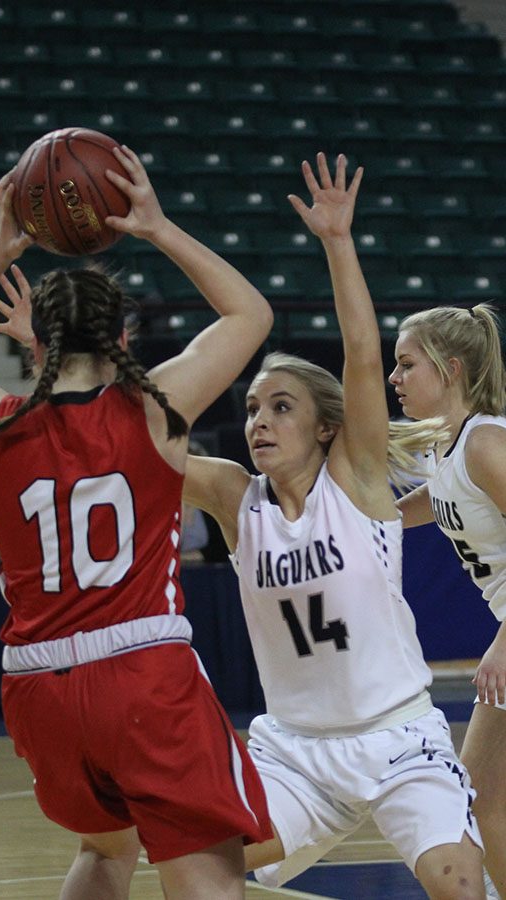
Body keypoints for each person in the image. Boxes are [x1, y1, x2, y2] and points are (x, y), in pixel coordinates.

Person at [0, 145, 274, 900]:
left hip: (38, 684)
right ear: (123, 339)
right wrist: (157, 226)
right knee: (205, 874)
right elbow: (251, 313)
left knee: (105, 849)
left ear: (36, 345)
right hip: (142, 670)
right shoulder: (156, 408)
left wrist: (0, 244)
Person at [183, 152, 486, 898]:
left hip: (398, 739)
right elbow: (140, 445)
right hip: (295, 753)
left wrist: (338, 243)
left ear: (326, 429)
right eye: (252, 407)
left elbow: (359, 352)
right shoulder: (232, 497)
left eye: (280, 406)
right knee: (199, 868)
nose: (258, 420)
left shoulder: (356, 482)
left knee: (456, 881)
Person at [389, 304, 506, 899]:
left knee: (481, 793)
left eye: (406, 364)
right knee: (481, 794)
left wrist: (504, 643)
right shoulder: (447, 447)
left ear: (451, 369)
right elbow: (416, 506)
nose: (395, 377)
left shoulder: (486, 442)